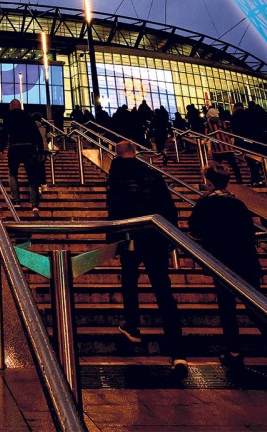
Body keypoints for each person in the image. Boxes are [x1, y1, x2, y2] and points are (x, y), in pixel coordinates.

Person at [188, 163, 267, 367]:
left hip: (222, 261)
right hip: (246, 259)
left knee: (227, 307)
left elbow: (194, 228)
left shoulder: (206, 203)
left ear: (209, 182)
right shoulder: (238, 203)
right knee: (254, 303)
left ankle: (234, 349)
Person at [106, 140, 186, 370]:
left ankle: (132, 325)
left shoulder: (116, 175)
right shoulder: (152, 174)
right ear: (135, 152)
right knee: (163, 289)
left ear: (117, 155)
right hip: (156, 235)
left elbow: (115, 208)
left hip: (131, 236)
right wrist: (171, 236)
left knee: (130, 280)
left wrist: (114, 240)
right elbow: (169, 207)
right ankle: (177, 350)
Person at [4, 99, 44, 217]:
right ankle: (34, 204)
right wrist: (40, 150)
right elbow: (37, 134)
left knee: (13, 173)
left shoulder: (8, 117)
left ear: (11, 106)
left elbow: (4, 132)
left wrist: (1, 148)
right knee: (32, 176)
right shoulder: (28, 116)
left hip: (15, 147)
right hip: (29, 148)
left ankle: (16, 201)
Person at [205, 108, 242, 184]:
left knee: (216, 166)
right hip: (227, 147)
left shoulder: (208, 125)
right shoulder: (224, 123)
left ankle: (216, 180)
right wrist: (231, 145)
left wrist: (209, 149)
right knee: (234, 165)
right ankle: (239, 179)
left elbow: (207, 137)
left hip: (217, 148)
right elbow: (231, 135)